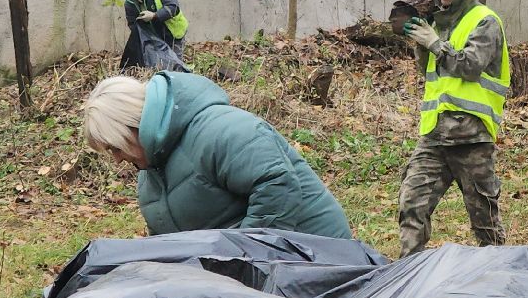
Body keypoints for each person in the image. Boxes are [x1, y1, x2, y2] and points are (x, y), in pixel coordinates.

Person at [81, 72, 354, 239]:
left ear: (134, 125)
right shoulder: (150, 179)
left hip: (318, 259)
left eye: (116, 148)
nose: (117, 160)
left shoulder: (220, 131)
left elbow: (278, 186)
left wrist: (240, 262)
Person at [396, 0, 511, 256]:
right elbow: (431, 73)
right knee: (411, 205)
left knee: (485, 222)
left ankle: (503, 277)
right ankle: (410, 276)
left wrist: (433, 43)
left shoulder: (485, 21)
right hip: (435, 136)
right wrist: (423, 46)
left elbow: (470, 65)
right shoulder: (439, 22)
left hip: (471, 138)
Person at [121, 0, 188, 67]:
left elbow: (173, 7)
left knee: (176, 66)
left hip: (174, 33)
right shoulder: (129, 2)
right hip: (156, 39)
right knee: (159, 66)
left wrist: (154, 15)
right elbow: (133, 25)